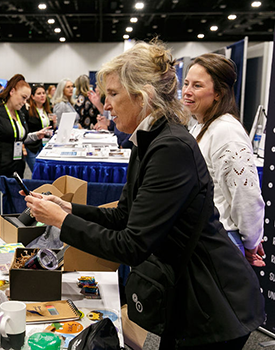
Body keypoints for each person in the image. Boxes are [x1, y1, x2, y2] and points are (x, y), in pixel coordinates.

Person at [24, 40, 264, 349]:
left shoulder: (170, 147)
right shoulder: (150, 140)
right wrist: (69, 210)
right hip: (187, 296)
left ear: (143, 97)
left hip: (212, 302)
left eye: (113, 94)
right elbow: (125, 216)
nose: (106, 105)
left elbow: (132, 244)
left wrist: (62, 222)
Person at [183, 53, 265, 266]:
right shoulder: (200, 126)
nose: (187, 91)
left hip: (221, 242)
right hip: (204, 237)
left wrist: (251, 242)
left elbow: (246, 197)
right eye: (186, 83)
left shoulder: (226, 131)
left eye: (197, 86)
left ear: (218, 93)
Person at [0, 74, 51, 244]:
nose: (24, 102)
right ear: (12, 91)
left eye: (27, 99)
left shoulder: (20, 114)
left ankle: (6, 244)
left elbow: (19, 137)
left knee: (10, 210)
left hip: (13, 169)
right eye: (23, 97)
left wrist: (36, 135)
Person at [24, 84, 52, 171]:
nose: (42, 95)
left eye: (43, 93)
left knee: (45, 172)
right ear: (32, 96)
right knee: (37, 172)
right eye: (39, 93)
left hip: (45, 146)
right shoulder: (28, 111)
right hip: (32, 147)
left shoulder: (47, 110)